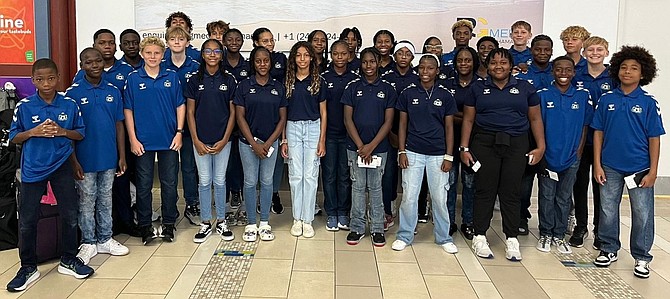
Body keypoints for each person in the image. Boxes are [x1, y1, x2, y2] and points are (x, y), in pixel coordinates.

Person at [7, 58, 92, 292]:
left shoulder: (69, 104)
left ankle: (68, 258)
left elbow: (79, 134)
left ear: (58, 78)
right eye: (40, 79)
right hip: (33, 168)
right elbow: (13, 137)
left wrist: (62, 131)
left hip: (62, 164)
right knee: (27, 220)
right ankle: (28, 266)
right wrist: (33, 132)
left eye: (51, 78)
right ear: (33, 80)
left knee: (70, 215)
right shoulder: (24, 106)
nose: (46, 83)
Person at [460, 48, 545, 261]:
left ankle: (512, 238)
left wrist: (540, 146)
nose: (498, 66)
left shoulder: (525, 88)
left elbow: (535, 119)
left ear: (511, 66)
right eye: (494, 63)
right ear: (487, 66)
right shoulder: (477, 88)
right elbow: (468, 120)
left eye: (503, 63)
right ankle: (479, 236)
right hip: (484, 143)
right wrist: (464, 148)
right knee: (484, 190)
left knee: (511, 191)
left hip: (516, 144)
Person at [591, 46, 664, 279]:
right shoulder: (606, 99)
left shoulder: (649, 102)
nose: (627, 72)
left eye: (634, 68)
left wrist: (653, 171)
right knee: (607, 209)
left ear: (643, 74)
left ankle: (642, 257)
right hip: (610, 166)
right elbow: (598, 133)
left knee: (642, 213)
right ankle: (608, 248)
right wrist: (598, 164)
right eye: (623, 67)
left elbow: (655, 138)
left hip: (640, 167)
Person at [67, 48, 130, 265]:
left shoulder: (113, 90)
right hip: (84, 159)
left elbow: (119, 124)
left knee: (105, 198)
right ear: (81, 65)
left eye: (98, 61)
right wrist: (73, 160)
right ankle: (88, 242)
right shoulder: (72, 93)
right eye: (89, 62)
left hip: (109, 157)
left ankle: (105, 238)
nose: (94, 65)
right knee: (86, 201)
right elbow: (69, 133)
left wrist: (122, 155)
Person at [393, 54, 458, 253]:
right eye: (421, 67)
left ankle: (444, 237)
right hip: (413, 152)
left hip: (438, 154)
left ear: (437, 71)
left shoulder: (445, 95)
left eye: (430, 68)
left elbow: (449, 127)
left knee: (439, 198)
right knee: (410, 197)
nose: (425, 72)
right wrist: (402, 150)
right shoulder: (408, 93)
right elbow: (402, 124)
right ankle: (405, 235)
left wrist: (449, 155)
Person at [124, 37, 185, 245]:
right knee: (144, 185)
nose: (152, 57)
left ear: (163, 54)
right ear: (142, 54)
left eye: (157, 53)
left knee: (169, 184)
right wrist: (132, 138)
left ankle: (169, 223)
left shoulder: (172, 76)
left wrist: (179, 132)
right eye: (148, 53)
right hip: (143, 141)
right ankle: (145, 225)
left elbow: (180, 105)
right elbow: (128, 109)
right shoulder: (133, 78)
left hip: (169, 139)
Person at [535, 56, 592, 255]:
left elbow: (585, 125)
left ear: (574, 72)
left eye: (568, 70)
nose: (563, 74)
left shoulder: (582, 95)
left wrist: (579, 149)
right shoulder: (543, 95)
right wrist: (541, 150)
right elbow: (537, 124)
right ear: (553, 71)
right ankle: (545, 233)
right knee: (547, 195)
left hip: (572, 156)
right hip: (549, 155)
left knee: (564, 198)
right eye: (559, 69)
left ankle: (559, 235)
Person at [341, 47, 396, 246]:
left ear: (379, 62)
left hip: (379, 148)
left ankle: (377, 228)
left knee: (375, 187)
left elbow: (388, 122)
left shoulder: (388, 88)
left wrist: (371, 146)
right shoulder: (352, 87)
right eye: (364, 62)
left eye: (372, 62)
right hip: (355, 147)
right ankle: (356, 227)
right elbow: (348, 120)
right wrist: (360, 146)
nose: (368, 66)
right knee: (357, 186)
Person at [185, 39, 238, 243]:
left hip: (222, 139)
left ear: (221, 54)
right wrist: (196, 140)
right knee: (205, 180)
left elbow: (233, 112)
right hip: (201, 140)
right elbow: (190, 112)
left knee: (220, 180)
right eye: (208, 50)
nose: (213, 54)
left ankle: (222, 221)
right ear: (203, 54)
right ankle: (206, 222)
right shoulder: (194, 79)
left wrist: (225, 139)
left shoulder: (229, 79)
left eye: (216, 51)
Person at [235, 46, 288, 242]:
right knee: (250, 182)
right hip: (247, 143)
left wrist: (269, 142)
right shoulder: (243, 86)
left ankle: (265, 222)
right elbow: (240, 117)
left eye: (266, 60)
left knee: (267, 182)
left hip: (269, 144)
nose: (262, 64)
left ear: (271, 62)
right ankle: (250, 223)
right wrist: (253, 144)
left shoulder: (278, 87)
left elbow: (282, 118)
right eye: (258, 61)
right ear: (253, 63)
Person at [569, 36, 616, 249]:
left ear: (606, 52)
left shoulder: (613, 77)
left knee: (601, 187)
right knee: (579, 185)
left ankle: (600, 229)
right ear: (584, 52)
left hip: (605, 142)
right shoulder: (576, 75)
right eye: (590, 50)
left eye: (599, 49)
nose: (594, 53)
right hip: (581, 140)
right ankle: (581, 226)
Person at [281, 41, 327, 238]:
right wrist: (283, 139)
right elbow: (282, 113)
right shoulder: (287, 81)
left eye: (306, 55)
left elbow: (324, 113)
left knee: (310, 175)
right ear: (293, 58)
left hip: (313, 128)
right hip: (292, 128)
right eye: (298, 55)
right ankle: (297, 218)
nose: (302, 59)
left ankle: (307, 219)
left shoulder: (318, 81)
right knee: (295, 175)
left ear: (311, 58)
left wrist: (322, 139)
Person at [162, 25, 201, 226]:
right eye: (172, 39)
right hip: (164, 124)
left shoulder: (195, 65)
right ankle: (168, 206)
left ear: (187, 42)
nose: (177, 42)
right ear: (167, 42)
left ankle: (191, 203)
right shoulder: (160, 64)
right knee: (167, 169)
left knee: (188, 167)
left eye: (181, 39)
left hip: (188, 125)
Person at [441, 47, 480, 240]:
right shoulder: (446, 84)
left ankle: (468, 221)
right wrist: (467, 117)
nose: (463, 64)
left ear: (474, 62)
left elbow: (480, 115)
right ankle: (448, 221)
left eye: (468, 60)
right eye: (460, 60)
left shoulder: (482, 85)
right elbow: (443, 113)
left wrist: (460, 116)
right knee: (449, 183)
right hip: (447, 140)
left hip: (474, 142)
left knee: (470, 184)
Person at [381, 40, 419, 230]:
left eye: (407, 53)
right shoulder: (386, 77)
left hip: (413, 134)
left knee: (411, 177)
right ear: (394, 56)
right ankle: (387, 210)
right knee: (388, 175)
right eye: (400, 53)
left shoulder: (419, 78)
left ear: (413, 57)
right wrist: (390, 132)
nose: (403, 56)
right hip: (388, 132)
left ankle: (411, 214)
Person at [321, 41, 359, 231]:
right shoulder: (323, 78)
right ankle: (332, 212)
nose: (340, 57)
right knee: (329, 175)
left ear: (348, 55)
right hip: (328, 134)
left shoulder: (355, 79)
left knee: (344, 176)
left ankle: (344, 212)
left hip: (348, 136)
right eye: (336, 54)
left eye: (343, 54)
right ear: (331, 55)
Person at [253, 27, 287, 215]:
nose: (270, 44)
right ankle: (257, 196)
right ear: (257, 44)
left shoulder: (281, 59)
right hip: (257, 116)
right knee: (253, 163)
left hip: (278, 113)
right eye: (265, 41)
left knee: (275, 161)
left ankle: (273, 193)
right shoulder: (254, 61)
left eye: (272, 40)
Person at [222, 28, 249, 225]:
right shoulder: (217, 62)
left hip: (244, 121)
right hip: (221, 122)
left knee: (239, 162)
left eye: (237, 39)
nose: (233, 42)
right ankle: (227, 195)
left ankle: (238, 192)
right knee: (226, 163)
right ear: (223, 41)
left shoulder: (247, 65)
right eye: (229, 39)